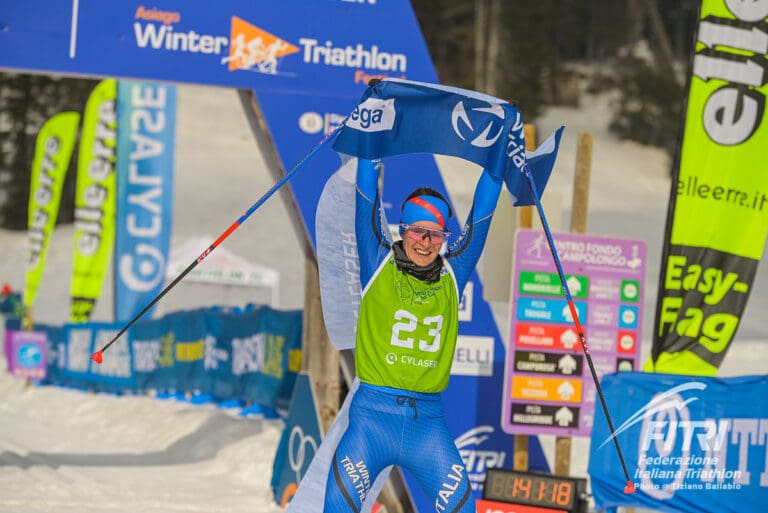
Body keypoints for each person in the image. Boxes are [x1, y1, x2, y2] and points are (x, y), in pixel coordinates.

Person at [322, 157, 503, 512]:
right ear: (402, 229)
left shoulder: (454, 273)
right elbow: (365, 194)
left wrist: (498, 161)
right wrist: (370, 138)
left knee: (462, 509)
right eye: (417, 230)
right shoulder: (377, 262)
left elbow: (483, 213)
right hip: (372, 421)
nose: (425, 241)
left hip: (427, 428)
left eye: (435, 233)